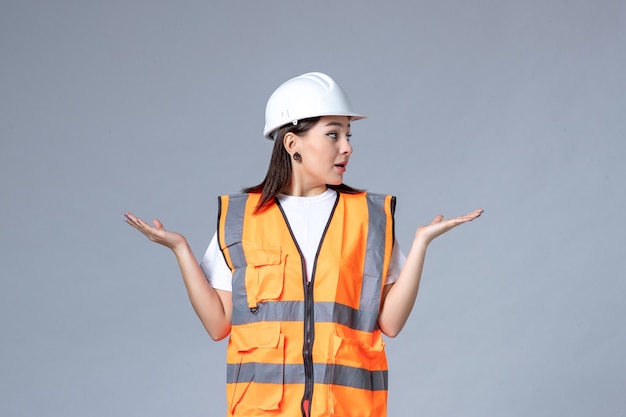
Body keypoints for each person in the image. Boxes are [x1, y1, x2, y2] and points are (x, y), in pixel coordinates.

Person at [125, 72, 483, 417]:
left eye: (348, 135)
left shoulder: (370, 218)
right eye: (333, 135)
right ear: (292, 143)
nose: (347, 147)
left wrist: (421, 244)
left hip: (348, 410)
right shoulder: (242, 218)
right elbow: (218, 325)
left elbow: (389, 323)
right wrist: (181, 250)